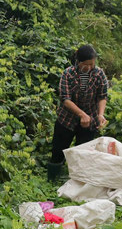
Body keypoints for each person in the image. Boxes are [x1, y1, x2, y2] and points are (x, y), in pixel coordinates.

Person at [47, 44, 110, 182]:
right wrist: (81, 114)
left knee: (84, 153)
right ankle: (52, 181)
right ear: (79, 62)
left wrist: (100, 114)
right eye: (86, 65)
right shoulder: (68, 74)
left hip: (89, 121)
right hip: (67, 119)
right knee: (58, 150)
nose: (90, 67)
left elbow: (102, 96)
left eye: (92, 64)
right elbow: (65, 99)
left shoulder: (99, 74)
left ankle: (77, 182)